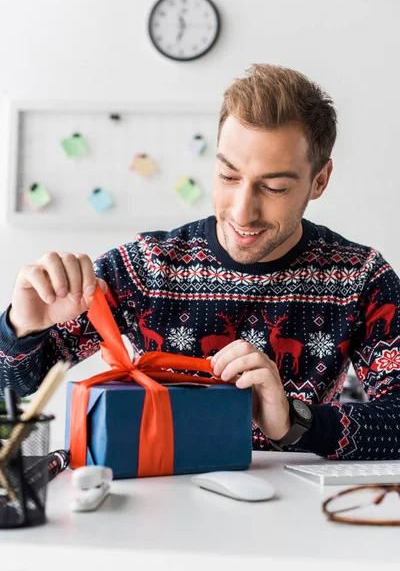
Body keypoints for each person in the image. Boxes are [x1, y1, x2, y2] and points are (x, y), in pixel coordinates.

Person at [1, 64, 400, 459]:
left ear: (320, 180)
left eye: (274, 187)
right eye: (229, 176)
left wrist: (297, 423)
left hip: (297, 510)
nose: (243, 212)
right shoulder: (146, 269)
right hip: (160, 496)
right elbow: (14, 390)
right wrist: (21, 328)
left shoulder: (360, 278)